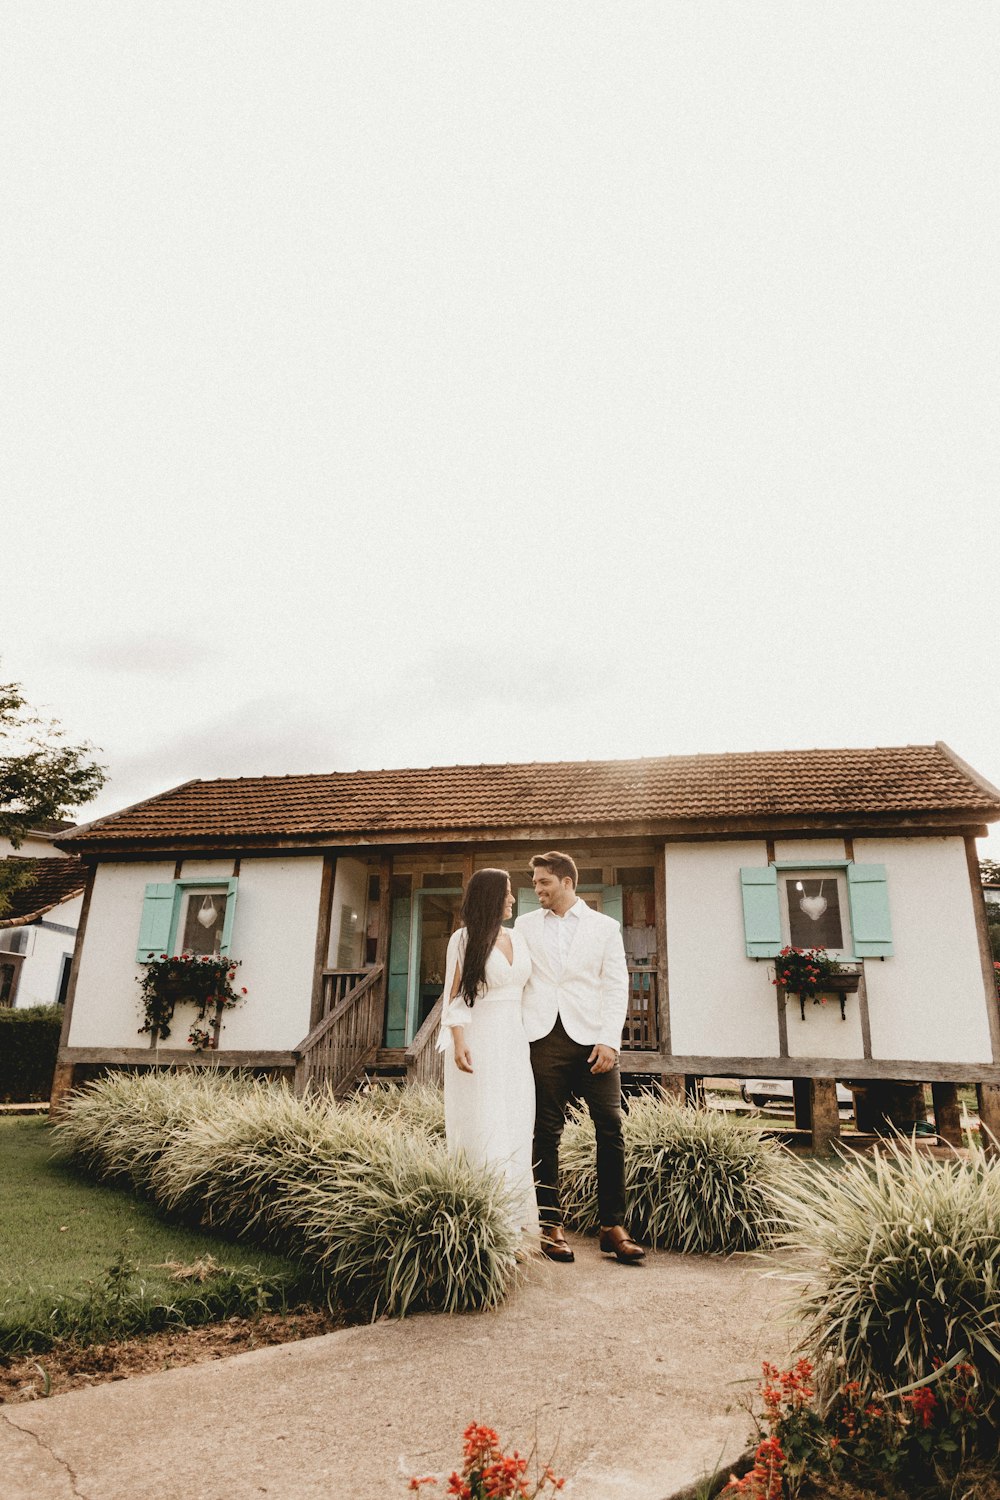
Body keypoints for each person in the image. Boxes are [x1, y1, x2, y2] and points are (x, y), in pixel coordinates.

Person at [515, 850, 645, 1265]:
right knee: (545, 1131)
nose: (537, 890)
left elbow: (615, 983)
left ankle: (613, 1226)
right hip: (542, 1037)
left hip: (594, 1040)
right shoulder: (524, 925)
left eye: (543, 883)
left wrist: (610, 1040)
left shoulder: (604, 927)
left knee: (610, 1128)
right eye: (535, 883)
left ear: (567, 882)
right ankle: (550, 1227)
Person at [436, 868, 537, 1232]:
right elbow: (452, 999)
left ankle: (519, 1223)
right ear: (490, 897)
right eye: (507, 893)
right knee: (485, 1123)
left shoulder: (519, 938)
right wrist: (459, 1042)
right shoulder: (462, 940)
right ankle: (490, 1224)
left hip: (514, 1040)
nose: (512, 899)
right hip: (479, 1040)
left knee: (515, 1121)